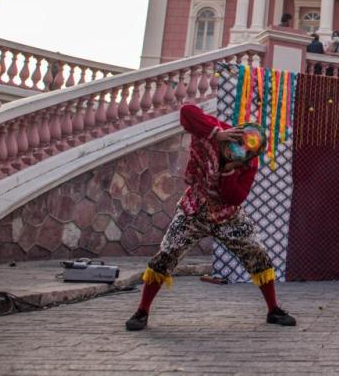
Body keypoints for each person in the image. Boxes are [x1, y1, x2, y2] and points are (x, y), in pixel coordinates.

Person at [124, 104, 296, 331]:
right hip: (194, 209)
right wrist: (216, 134)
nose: (239, 149)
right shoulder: (214, 133)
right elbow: (187, 112)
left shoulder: (248, 164)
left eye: (246, 151)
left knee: (256, 253)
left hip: (227, 215)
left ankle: (273, 309)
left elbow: (235, 198)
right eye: (238, 143)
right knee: (167, 253)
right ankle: (142, 311)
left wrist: (230, 171)